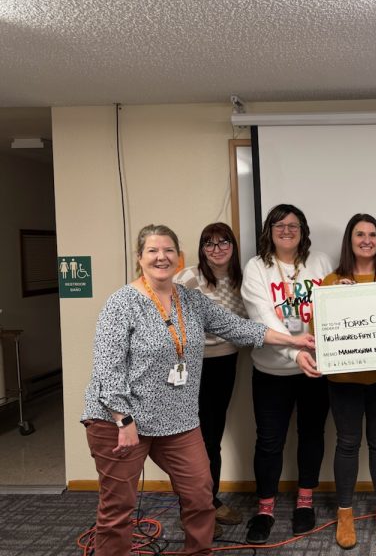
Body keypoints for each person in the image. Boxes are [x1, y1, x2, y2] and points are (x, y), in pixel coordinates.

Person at [81, 224, 315, 556]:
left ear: (179, 258)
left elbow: (239, 327)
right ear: (140, 258)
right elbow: (107, 368)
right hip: (120, 420)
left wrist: (293, 340)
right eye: (152, 251)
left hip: (176, 418)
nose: (161, 257)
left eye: (168, 251)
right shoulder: (122, 304)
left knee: (200, 495)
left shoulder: (191, 299)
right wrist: (123, 419)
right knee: (118, 509)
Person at [240, 204, 332, 544]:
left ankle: (304, 500)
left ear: (303, 230)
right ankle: (264, 509)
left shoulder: (321, 262)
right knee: (269, 442)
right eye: (279, 225)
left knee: (312, 435)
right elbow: (262, 319)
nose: (286, 230)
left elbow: (335, 307)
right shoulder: (256, 267)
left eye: (293, 225)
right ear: (269, 230)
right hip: (271, 372)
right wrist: (295, 353)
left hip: (316, 371)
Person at [321, 213, 376, 550]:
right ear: (350, 240)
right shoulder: (330, 281)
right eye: (360, 234)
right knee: (346, 443)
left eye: (372, 234)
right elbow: (321, 332)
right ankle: (345, 514)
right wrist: (335, 301)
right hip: (344, 378)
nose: (367, 240)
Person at [174, 222, 247, 535]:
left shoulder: (239, 280)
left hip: (226, 365)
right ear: (202, 249)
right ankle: (193, 511)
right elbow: (165, 314)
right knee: (192, 441)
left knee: (212, 439)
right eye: (209, 243)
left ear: (232, 246)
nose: (217, 249)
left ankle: (210, 502)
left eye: (223, 242)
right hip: (193, 369)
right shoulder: (189, 277)